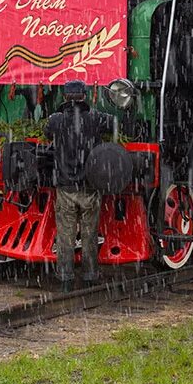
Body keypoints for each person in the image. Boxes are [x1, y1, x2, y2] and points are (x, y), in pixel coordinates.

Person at [44, 79, 115, 292]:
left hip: (65, 187)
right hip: (89, 186)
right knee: (89, 234)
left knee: (65, 235)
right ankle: (90, 275)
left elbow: (47, 132)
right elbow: (113, 123)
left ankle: (65, 277)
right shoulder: (95, 118)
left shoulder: (56, 120)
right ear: (84, 96)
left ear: (64, 97)